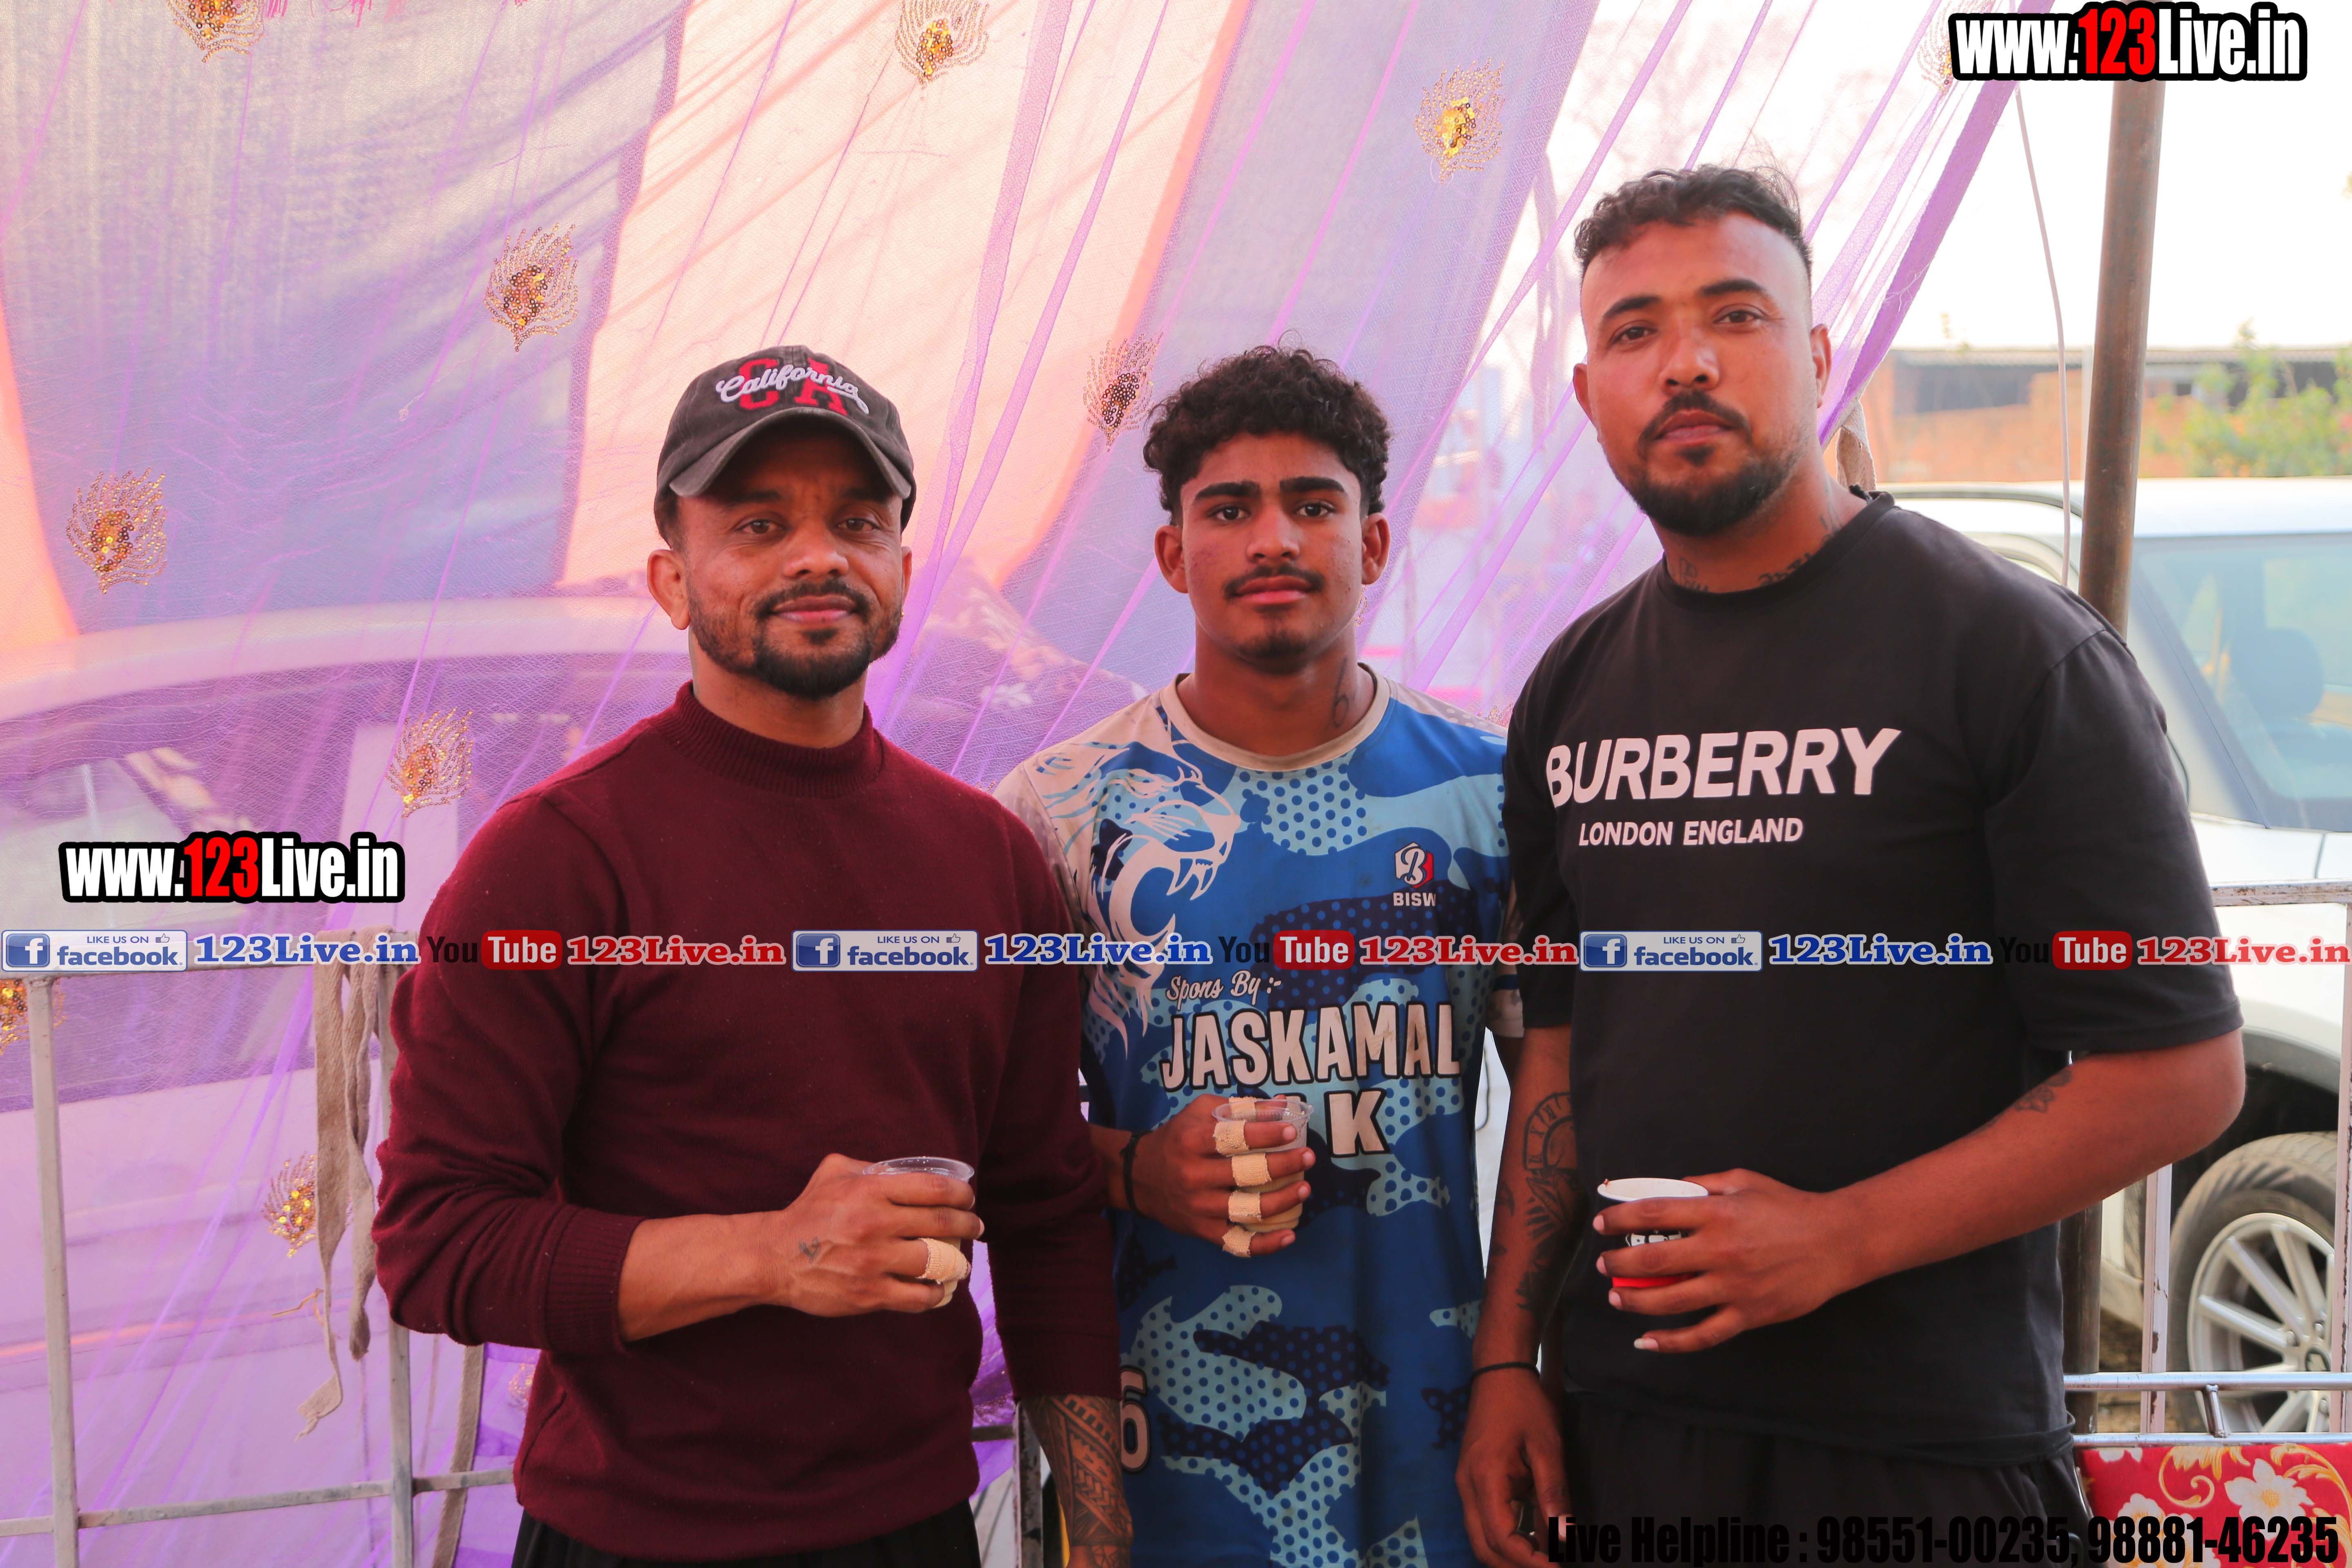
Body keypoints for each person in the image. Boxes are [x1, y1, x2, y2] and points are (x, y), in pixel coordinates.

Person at [1455, 167, 2245, 1560]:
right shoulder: (1572, 690)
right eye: (1635, 330)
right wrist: (1509, 1357)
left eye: (1735, 314)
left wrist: (1842, 1237)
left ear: (1820, 355)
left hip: (1924, 1448)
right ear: (1588, 393)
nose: (1686, 362)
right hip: (1632, 1430)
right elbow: (1562, 1058)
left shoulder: (2010, 651)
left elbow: (2179, 1073)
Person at [373, 345, 1131, 1568]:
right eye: (759, 524)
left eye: (858, 521)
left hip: (917, 1532)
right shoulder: (557, 859)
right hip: (633, 1538)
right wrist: (774, 1254)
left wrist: (1097, 1533)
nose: (817, 556)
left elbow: (1045, 1213)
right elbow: (438, 1244)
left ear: (902, 568)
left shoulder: (989, 858)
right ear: (672, 581)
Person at [995, 345, 1522, 1568]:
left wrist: (1516, 1370)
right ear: (1174, 554)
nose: (1273, 539)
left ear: (1373, 544)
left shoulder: (1491, 794)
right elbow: (993, 1140)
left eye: (1313, 504)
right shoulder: (1062, 809)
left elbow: (1568, 1102)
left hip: (1440, 1445)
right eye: (1229, 509)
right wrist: (1140, 1170)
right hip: (1171, 1468)